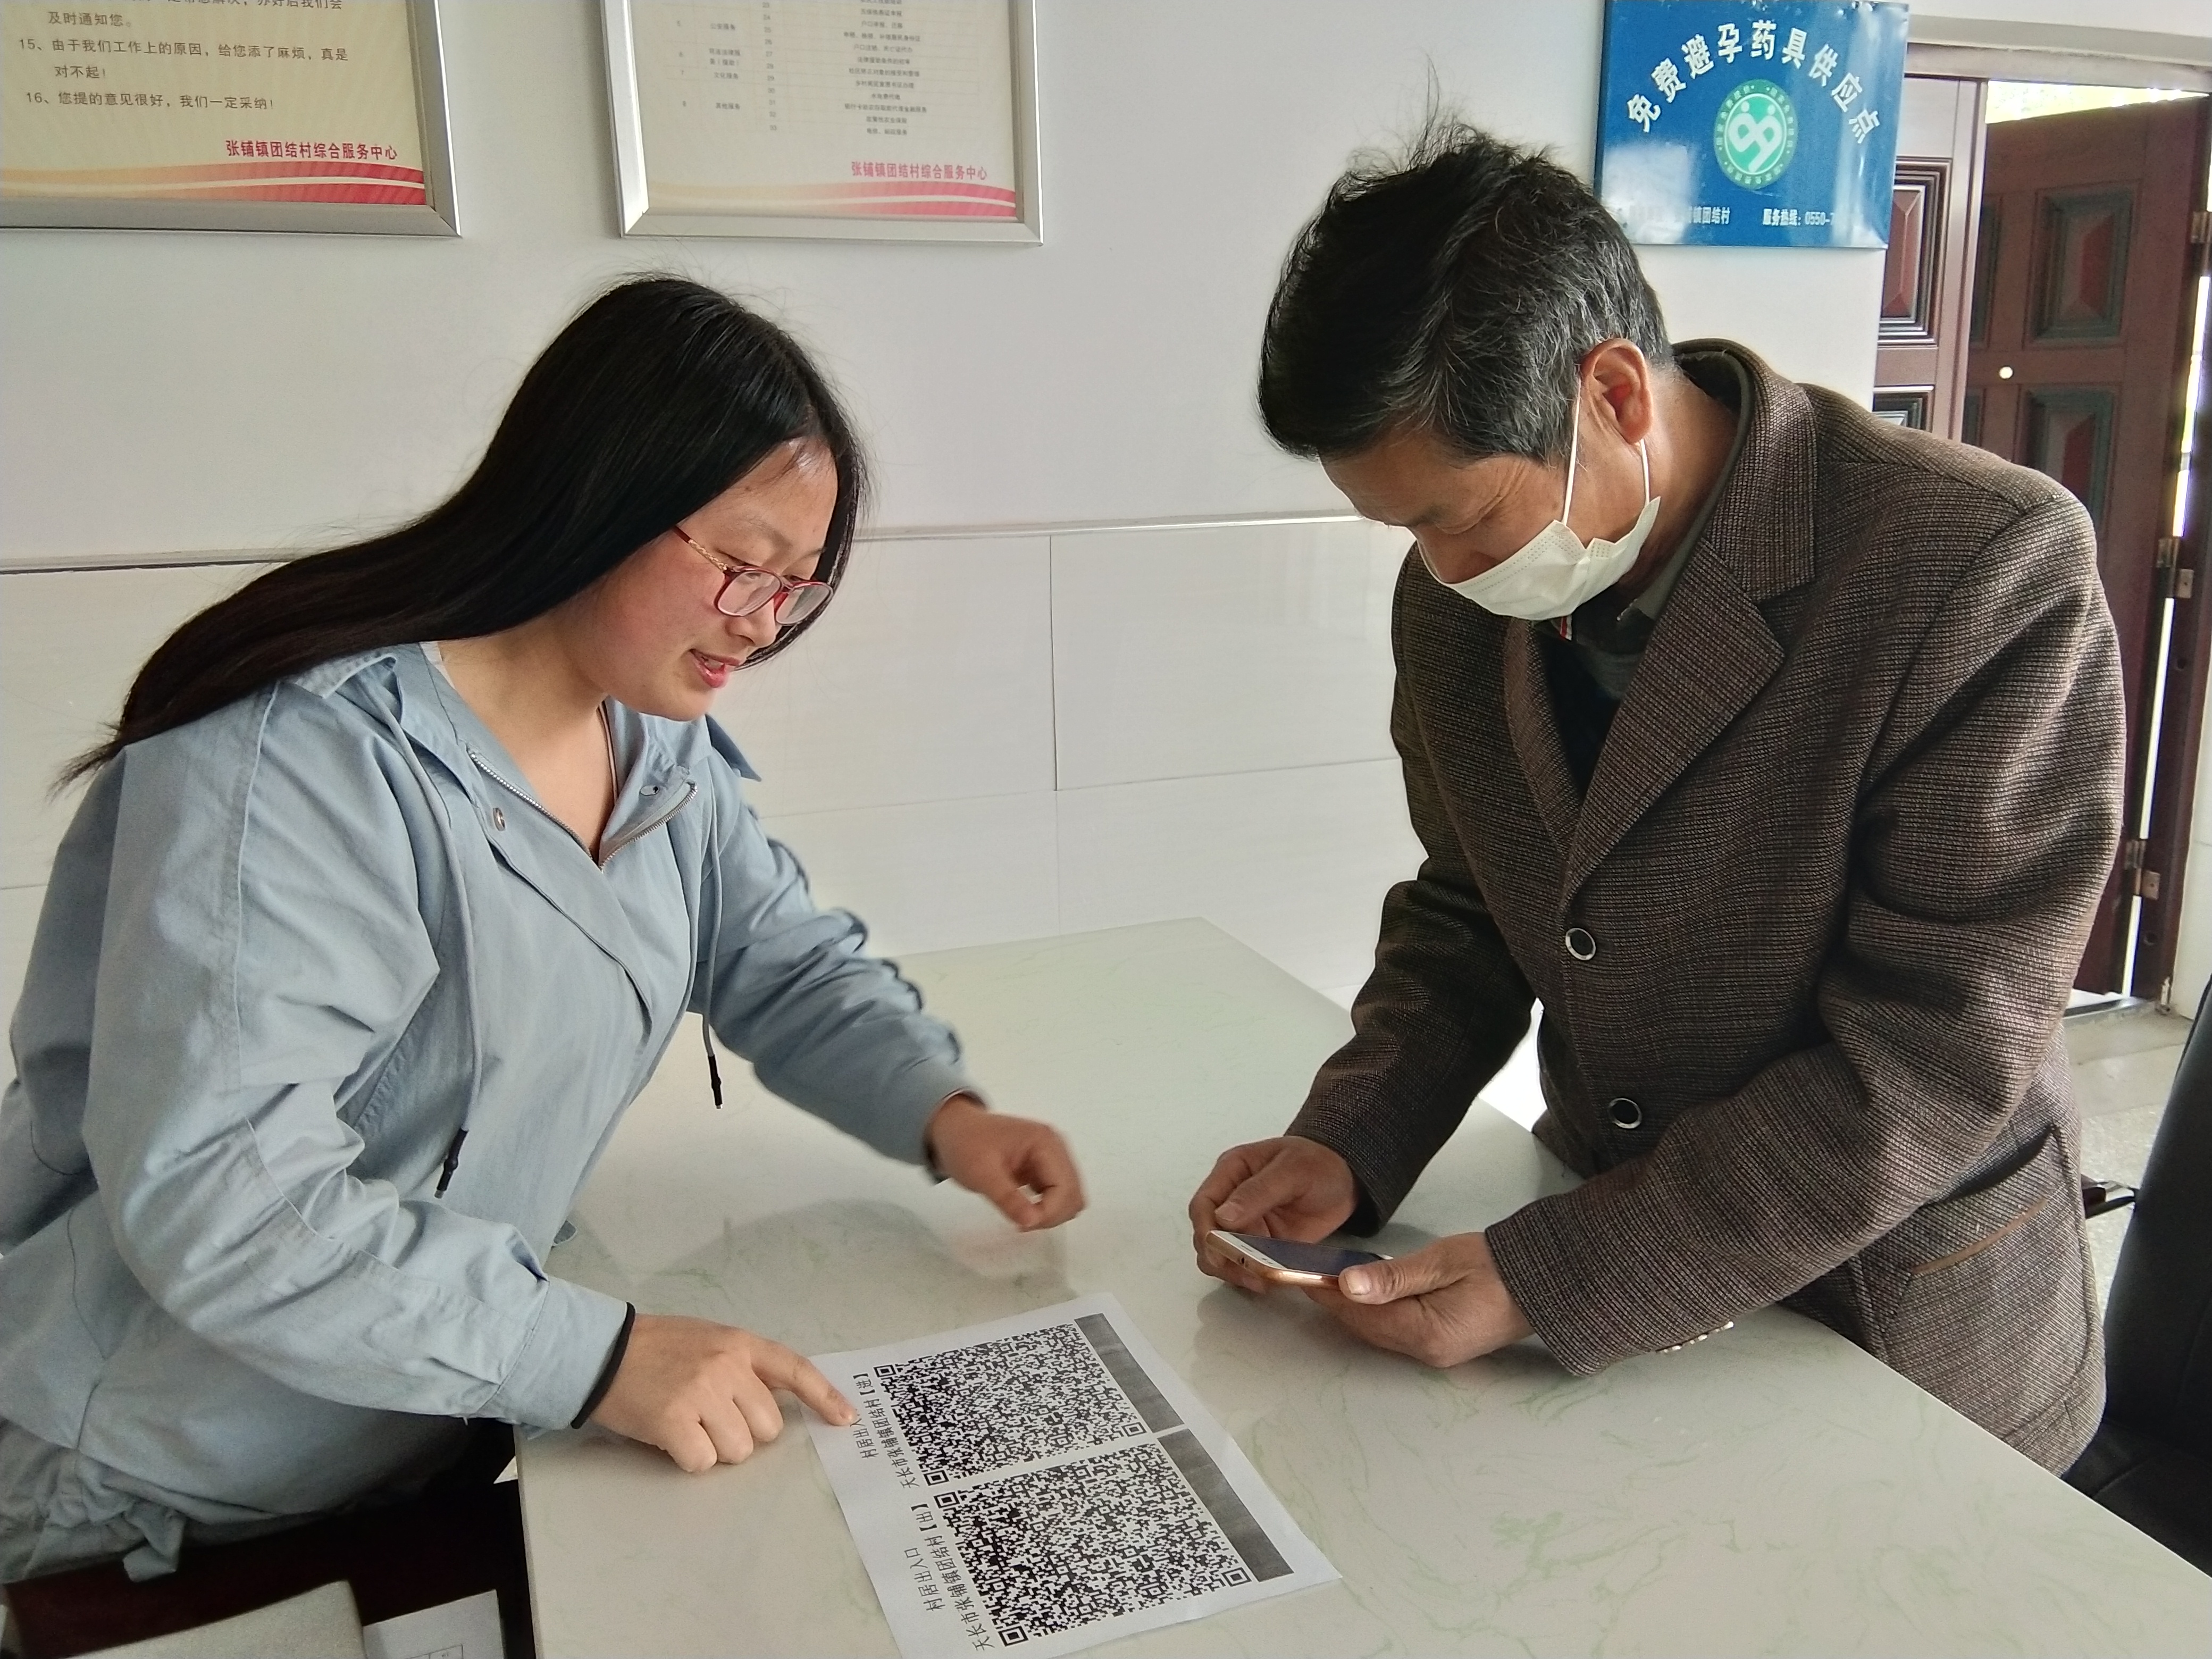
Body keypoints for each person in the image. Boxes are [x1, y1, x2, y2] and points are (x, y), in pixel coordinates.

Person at [0, 276, 1085, 1584]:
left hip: (431, 1422)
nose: (762, 625)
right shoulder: (299, 762)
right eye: (742, 566)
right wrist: (601, 1358)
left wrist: (940, 1111)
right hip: (165, 1484)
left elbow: (778, 960)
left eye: (797, 588)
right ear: (600, 498)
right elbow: (228, 1196)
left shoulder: (649, 741)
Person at [1188, 120, 2125, 1474]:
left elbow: (1936, 1049)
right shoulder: (1457, 603)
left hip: (1897, 1303)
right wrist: (1352, 1138)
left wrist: (1562, 1272)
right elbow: (1468, 905)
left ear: (1615, 395)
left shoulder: (1977, 565)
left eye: (1460, 517)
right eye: (1402, 529)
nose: (1441, 570)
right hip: (1604, 1226)